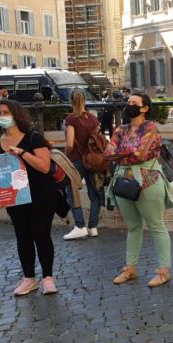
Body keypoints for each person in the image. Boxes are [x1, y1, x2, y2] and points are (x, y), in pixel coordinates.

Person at [104, 92, 173, 287]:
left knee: (156, 225)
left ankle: (163, 270)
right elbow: (108, 153)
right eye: (128, 103)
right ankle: (130, 268)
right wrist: (128, 153)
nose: (129, 106)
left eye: (134, 103)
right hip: (124, 182)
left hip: (148, 181)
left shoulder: (150, 128)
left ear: (144, 108)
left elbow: (141, 154)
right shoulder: (121, 129)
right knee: (133, 227)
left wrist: (121, 154)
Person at [0, 99, 59, 296]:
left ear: (16, 115)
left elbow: (44, 167)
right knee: (23, 236)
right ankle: (29, 278)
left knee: (41, 234)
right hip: (16, 197)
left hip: (41, 195)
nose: (2, 116)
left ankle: (48, 277)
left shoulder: (33, 138)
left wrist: (22, 153)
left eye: (6, 112)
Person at [62, 91, 102, 240]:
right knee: (94, 193)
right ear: (85, 100)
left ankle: (79, 225)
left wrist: (66, 153)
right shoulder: (93, 119)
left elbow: (70, 143)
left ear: (71, 101)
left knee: (71, 191)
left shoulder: (71, 119)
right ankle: (93, 227)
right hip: (93, 160)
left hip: (77, 160)